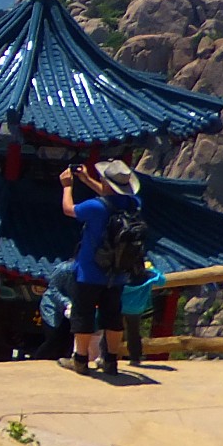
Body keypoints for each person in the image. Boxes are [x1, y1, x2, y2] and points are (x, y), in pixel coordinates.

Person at [59, 159, 145, 377]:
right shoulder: (134, 203)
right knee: (112, 316)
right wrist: (87, 180)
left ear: (106, 182)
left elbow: (69, 210)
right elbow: (112, 198)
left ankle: (80, 360)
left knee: (83, 314)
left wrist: (68, 186)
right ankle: (111, 361)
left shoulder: (94, 207)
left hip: (89, 271)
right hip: (117, 272)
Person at [120, 264, 166, 366]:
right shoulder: (147, 276)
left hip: (119, 305)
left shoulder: (121, 275)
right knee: (134, 332)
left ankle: (105, 355)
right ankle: (135, 358)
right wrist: (153, 269)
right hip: (136, 308)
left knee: (111, 329)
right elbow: (162, 281)